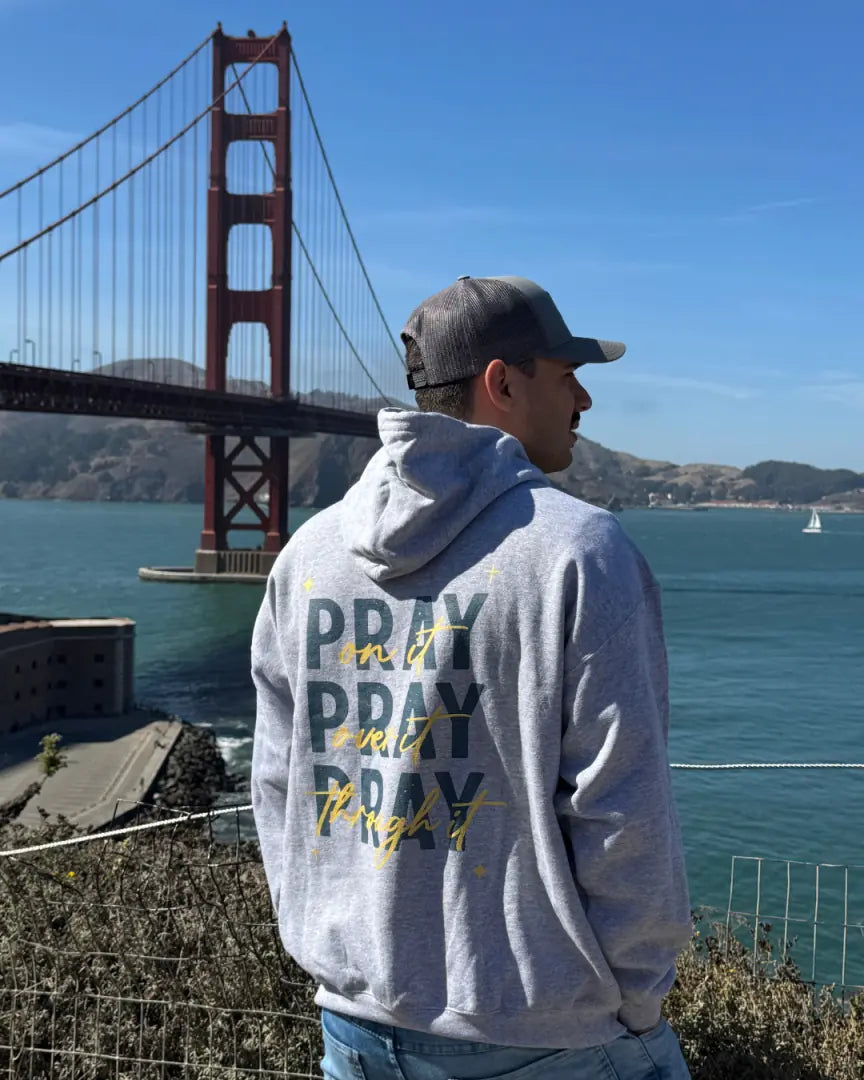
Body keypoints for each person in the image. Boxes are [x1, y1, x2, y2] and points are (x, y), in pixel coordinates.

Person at [251, 275, 692, 1080]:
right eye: (567, 374)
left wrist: (325, 949)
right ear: (502, 383)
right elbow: (622, 812)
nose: (584, 399)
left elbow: (280, 785)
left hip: (354, 1023)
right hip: (547, 1033)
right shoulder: (580, 552)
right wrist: (635, 1001)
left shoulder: (306, 556)